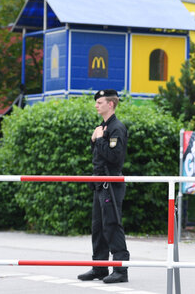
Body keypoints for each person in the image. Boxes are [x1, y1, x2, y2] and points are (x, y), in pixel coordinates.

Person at [77, 89, 130, 283]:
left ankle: (121, 270)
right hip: (100, 183)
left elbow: (115, 158)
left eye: (100, 102)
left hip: (111, 183)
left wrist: (99, 139)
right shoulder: (102, 127)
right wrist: (95, 140)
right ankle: (99, 267)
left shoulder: (116, 128)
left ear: (111, 104)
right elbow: (98, 155)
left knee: (112, 225)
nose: (96, 105)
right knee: (98, 227)